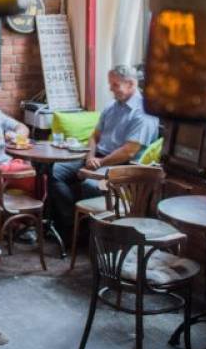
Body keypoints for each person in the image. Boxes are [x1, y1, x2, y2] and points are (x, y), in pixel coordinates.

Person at [48, 65, 158, 234]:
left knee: (91, 184)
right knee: (55, 171)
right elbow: (94, 136)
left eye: (115, 85)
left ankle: (93, 234)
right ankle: (71, 226)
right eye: (110, 84)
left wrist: (98, 163)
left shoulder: (143, 113)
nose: (111, 89)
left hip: (121, 166)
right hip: (97, 158)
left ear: (131, 84)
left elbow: (129, 151)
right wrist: (90, 157)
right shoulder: (111, 106)